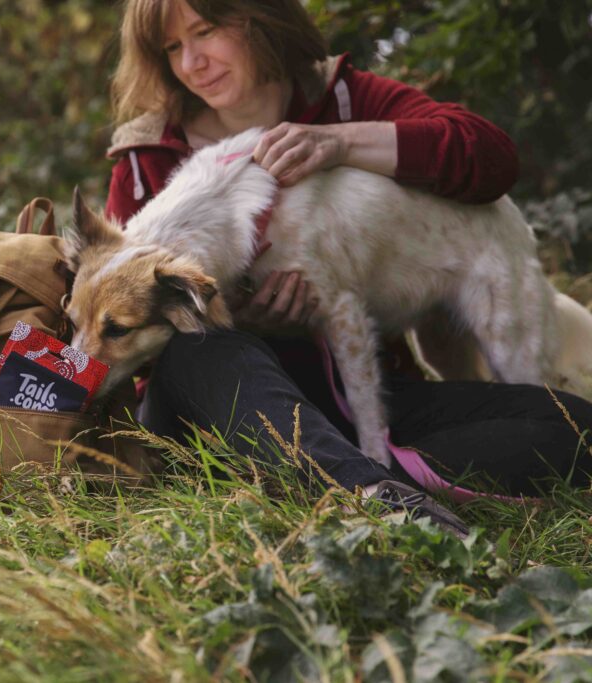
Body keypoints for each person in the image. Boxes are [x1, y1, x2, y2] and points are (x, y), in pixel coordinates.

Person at [104, 0, 592, 532]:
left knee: (574, 427)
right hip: (227, 401)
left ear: (264, 19)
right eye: (172, 48)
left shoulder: (340, 97)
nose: (191, 63)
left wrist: (339, 143)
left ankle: (369, 477)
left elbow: (490, 158)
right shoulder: (146, 157)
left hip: (365, 401)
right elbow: (123, 339)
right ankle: (372, 498)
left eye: (207, 30)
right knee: (203, 352)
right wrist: (240, 318)